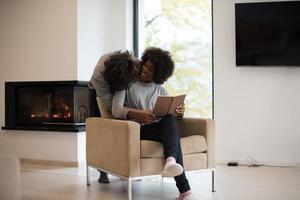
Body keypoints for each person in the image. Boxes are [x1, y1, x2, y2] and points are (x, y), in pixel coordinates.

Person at [112, 47, 196, 200]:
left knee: (170, 119)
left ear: (158, 74)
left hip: (156, 127)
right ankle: (185, 190)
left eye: (151, 69)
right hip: (136, 129)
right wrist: (139, 114)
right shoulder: (127, 82)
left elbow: (171, 113)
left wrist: (179, 111)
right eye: (145, 65)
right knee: (173, 140)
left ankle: (171, 161)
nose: (145, 69)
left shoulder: (160, 89)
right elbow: (116, 110)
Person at [89, 50, 140, 183]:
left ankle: (126, 168)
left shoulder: (135, 63)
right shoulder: (99, 77)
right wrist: (124, 112)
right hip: (98, 93)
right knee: (105, 130)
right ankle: (103, 170)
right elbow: (109, 108)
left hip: (123, 85)